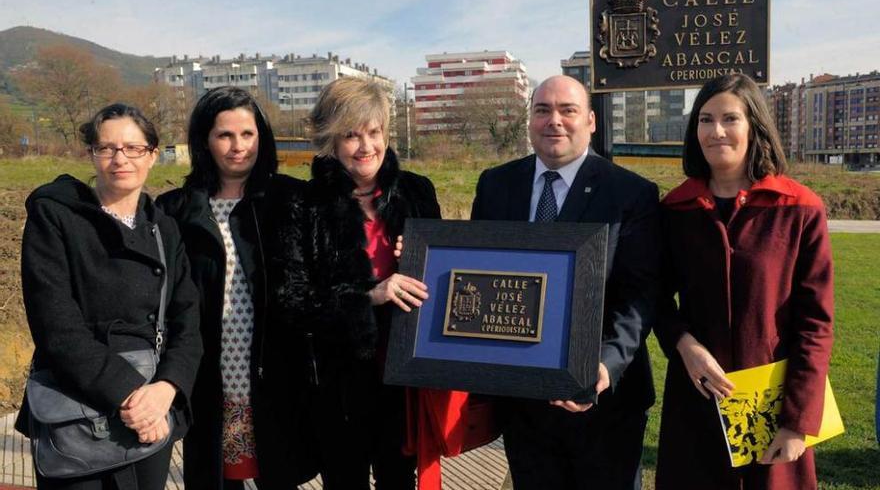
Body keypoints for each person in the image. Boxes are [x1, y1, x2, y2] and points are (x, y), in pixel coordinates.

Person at [470, 75, 661, 490]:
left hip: (605, 401)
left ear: (590, 121)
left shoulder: (631, 193)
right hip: (522, 403)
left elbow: (639, 295)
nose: (554, 121)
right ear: (530, 121)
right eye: (542, 110)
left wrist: (606, 364)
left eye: (567, 110)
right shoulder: (495, 184)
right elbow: (478, 275)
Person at [654, 73, 834, 490]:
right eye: (705, 119)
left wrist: (797, 421)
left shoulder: (800, 208)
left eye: (730, 118)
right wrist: (686, 346)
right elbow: (657, 298)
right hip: (698, 401)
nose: (716, 131)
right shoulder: (675, 208)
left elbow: (816, 323)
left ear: (754, 125)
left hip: (773, 407)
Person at [16, 103, 203, 489]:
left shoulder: (163, 229)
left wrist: (167, 389)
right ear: (92, 155)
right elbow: (56, 326)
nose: (120, 158)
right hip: (75, 407)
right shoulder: (56, 217)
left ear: (152, 155)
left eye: (133, 148)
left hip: (152, 407)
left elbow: (188, 319)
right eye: (107, 148)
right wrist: (130, 395)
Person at [270, 76, 441, 490]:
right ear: (330, 140)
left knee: (399, 480)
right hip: (337, 385)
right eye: (351, 135)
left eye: (374, 132)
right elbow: (291, 300)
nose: (366, 146)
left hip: (405, 374)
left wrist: (422, 258)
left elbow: (446, 278)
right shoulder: (303, 204)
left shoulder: (416, 191)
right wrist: (370, 295)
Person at [156, 87, 312, 489]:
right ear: (205, 141)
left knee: (278, 474)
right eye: (225, 135)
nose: (238, 146)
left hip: (274, 373)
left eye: (248, 134)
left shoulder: (291, 199)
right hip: (208, 373)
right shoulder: (177, 208)